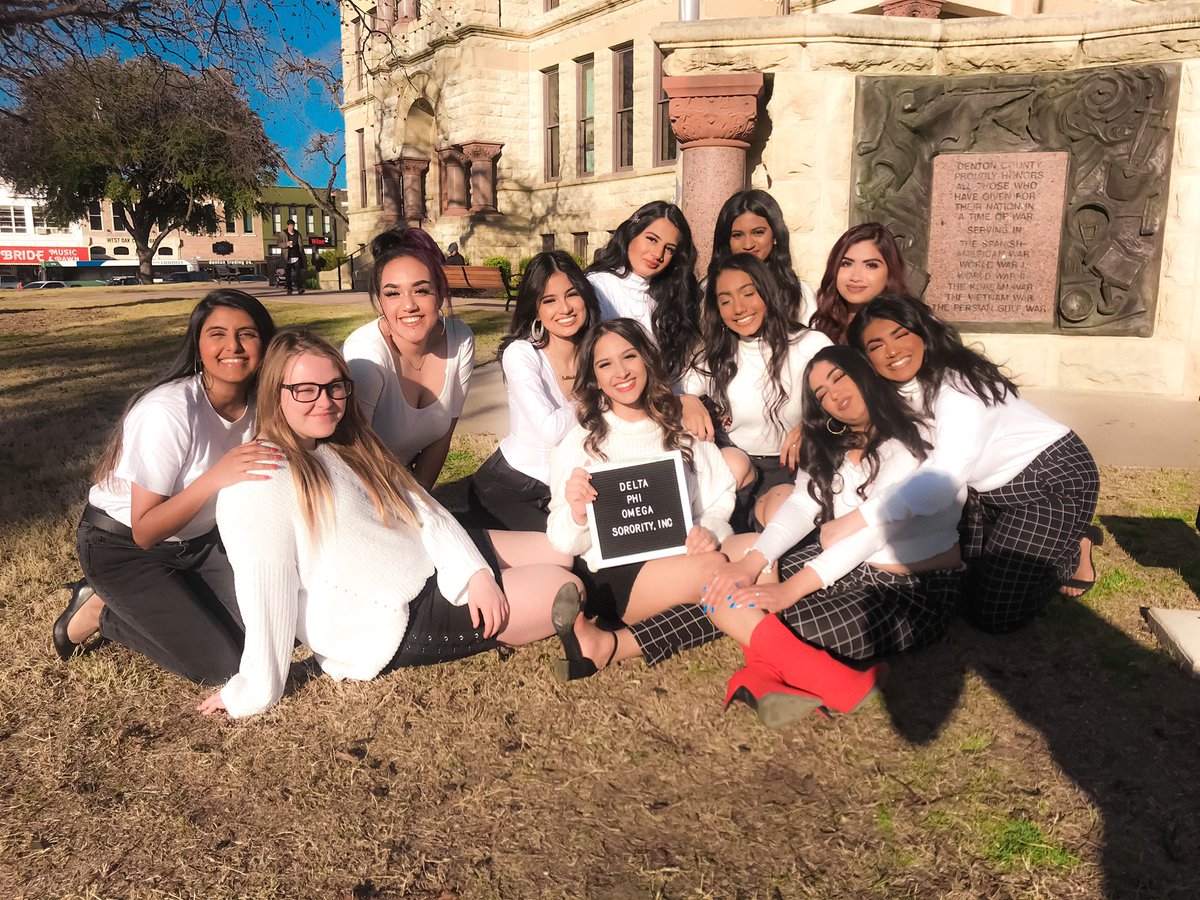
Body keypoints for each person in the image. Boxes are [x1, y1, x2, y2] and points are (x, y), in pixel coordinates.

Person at [555, 348, 960, 726]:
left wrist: (775, 580)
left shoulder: (913, 440)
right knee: (743, 593)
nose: (834, 396)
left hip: (906, 584)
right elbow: (804, 504)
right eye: (821, 391)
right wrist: (753, 565)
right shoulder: (583, 440)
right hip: (842, 567)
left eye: (841, 379)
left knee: (761, 610)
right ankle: (804, 673)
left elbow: (870, 532)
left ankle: (748, 673)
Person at [198, 330, 581, 718]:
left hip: (428, 558)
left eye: (335, 387)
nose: (326, 402)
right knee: (566, 587)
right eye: (305, 390)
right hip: (395, 615)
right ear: (273, 393)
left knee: (562, 551)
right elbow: (265, 590)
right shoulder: (260, 480)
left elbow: (423, 507)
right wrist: (254, 691)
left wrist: (474, 573)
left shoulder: (344, 444)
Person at [825, 294, 1101, 633]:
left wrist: (859, 518)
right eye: (876, 345)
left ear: (922, 334)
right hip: (985, 492)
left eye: (900, 335)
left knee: (994, 613)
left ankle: (1073, 546)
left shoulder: (957, 386)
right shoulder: (894, 390)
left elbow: (942, 478)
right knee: (963, 584)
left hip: (1050, 480)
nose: (893, 351)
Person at [53, 290, 278, 683]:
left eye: (248, 334)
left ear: (265, 343)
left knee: (266, 636)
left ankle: (172, 594)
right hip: (124, 547)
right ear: (198, 345)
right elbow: (145, 530)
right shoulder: (169, 411)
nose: (233, 347)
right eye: (217, 335)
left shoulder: (264, 405)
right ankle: (99, 610)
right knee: (223, 666)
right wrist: (216, 477)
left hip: (197, 543)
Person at [546, 318, 734, 680]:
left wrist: (709, 528)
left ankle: (611, 646)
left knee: (756, 553)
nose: (621, 372)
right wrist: (577, 512)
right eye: (605, 364)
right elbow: (562, 539)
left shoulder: (679, 425)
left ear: (647, 359)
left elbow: (721, 492)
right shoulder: (580, 442)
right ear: (594, 377)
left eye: (629, 356)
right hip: (619, 575)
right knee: (720, 571)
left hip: (679, 553)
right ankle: (784, 661)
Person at [679, 254, 832, 525]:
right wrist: (688, 400)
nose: (738, 308)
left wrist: (812, 425)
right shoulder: (714, 357)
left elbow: (849, 395)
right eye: (726, 301)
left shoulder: (810, 344)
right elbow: (675, 389)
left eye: (748, 294)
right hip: (738, 472)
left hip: (795, 470)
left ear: (767, 292)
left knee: (778, 526)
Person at [472, 251, 601, 530]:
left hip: (568, 488)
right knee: (561, 558)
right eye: (549, 300)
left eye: (572, 294)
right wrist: (595, 395)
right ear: (536, 309)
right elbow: (550, 429)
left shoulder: (598, 353)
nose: (564, 308)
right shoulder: (521, 354)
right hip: (511, 487)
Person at [343, 227, 473, 490]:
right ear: (379, 302)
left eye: (421, 290)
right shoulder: (366, 356)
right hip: (358, 488)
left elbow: (443, 435)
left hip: (405, 489)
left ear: (439, 293)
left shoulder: (460, 339)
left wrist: (421, 502)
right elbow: (352, 457)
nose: (409, 305)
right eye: (393, 293)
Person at [586, 201, 699, 382]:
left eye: (669, 249)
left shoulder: (670, 295)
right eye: (652, 239)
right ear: (632, 233)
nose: (658, 254)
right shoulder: (596, 286)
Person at [709, 189, 818, 325]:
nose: (748, 245)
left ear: (775, 235)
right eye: (737, 235)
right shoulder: (709, 288)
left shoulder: (798, 293)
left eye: (758, 233)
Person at [809, 223, 908, 344]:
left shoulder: (906, 330)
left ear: (890, 271)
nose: (855, 277)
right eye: (846, 264)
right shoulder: (818, 326)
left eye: (871, 265)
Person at [276, 219, 307, 295]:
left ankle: (300, 288)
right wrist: (286, 244)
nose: (291, 227)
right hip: (287, 258)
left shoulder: (297, 234)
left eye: (292, 225)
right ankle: (289, 289)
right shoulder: (283, 233)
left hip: (296, 257)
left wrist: (303, 256)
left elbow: (301, 246)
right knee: (288, 275)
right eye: (290, 226)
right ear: (287, 226)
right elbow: (279, 244)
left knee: (298, 274)